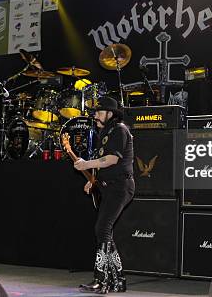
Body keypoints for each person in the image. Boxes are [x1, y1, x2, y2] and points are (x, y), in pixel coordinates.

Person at [74, 96, 135, 294]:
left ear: (110, 114)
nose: (95, 116)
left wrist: (86, 164)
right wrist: (91, 180)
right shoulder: (106, 132)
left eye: (99, 112)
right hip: (109, 186)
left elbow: (110, 160)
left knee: (102, 229)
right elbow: (103, 162)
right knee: (104, 231)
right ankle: (115, 280)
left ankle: (104, 280)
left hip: (120, 186)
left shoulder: (119, 130)